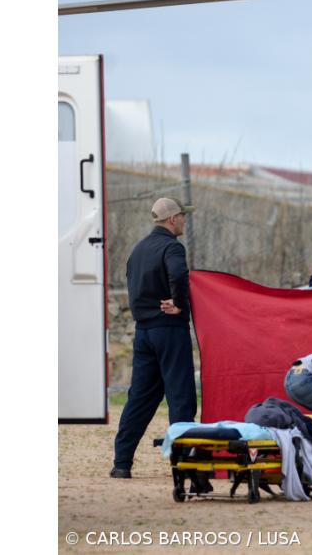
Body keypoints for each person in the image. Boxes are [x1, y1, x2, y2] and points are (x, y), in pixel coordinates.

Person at [111, 197, 197, 479]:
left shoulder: (138, 250)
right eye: (183, 216)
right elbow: (179, 275)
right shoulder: (172, 247)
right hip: (169, 330)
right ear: (172, 219)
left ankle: (121, 463)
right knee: (181, 397)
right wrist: (180, 303)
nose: (185, 219)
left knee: (140, 398)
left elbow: (133, 286)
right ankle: (184, 466)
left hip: (143, 333)